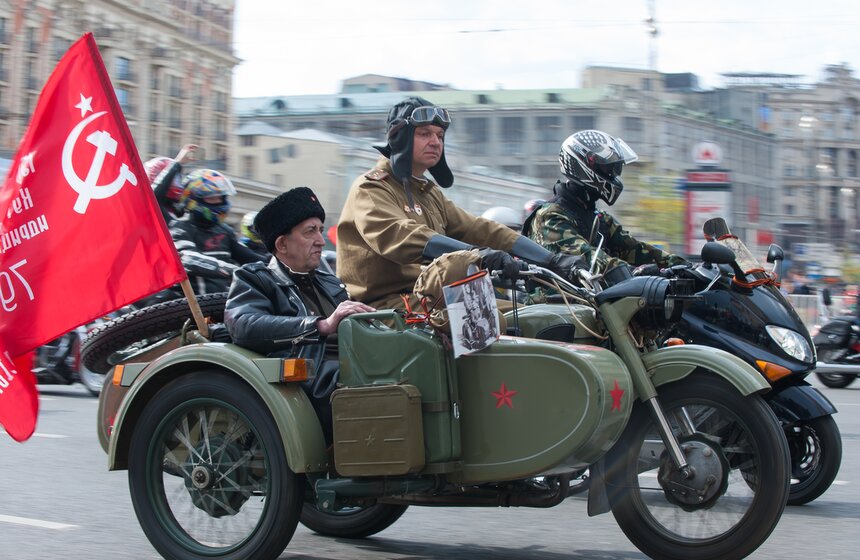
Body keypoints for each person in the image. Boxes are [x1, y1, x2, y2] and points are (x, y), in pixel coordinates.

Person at [336, 96, 583, 311]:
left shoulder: (429, 194)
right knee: (506, 323)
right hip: (384, 308)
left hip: (430, 299)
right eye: (424, 134)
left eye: (440, 135)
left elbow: (480, 229)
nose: (435, 142)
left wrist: (551, 260)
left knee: (540, 315)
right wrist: (477, 256)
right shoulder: (371, 188)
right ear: (399, 138)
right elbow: (401, 236)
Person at [225, 187, 375, 443]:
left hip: (347, 364)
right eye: (310, 231)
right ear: (282, 244)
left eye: (320, 229)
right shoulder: (255, 278)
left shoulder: (328, 281)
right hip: (304, 376)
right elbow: (243, 325)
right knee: (382, 389)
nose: (320, 240)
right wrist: (320, 325)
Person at [523, 130, 688, 276]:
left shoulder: (598, 218)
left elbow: (635, 250)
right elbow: (590, 258)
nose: (614, 176)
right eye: (609, 170)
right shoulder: (550, 217)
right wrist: (637, 272)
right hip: (558, 304)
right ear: (583, 167)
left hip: (590, 304)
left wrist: (684, 267)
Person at [169, 168, 265, 295]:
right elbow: (188, 259)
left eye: (221, 198)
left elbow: (253, 259)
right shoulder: (179, 227)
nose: (219, 202)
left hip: (224, 301)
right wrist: (232, 270)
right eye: (212, 199)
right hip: (190, 305)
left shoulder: (225, 230)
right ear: (193, 199)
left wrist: (285, 265)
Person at [144, 143, 199, 223]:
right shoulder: (150, 207)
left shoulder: (178, 210)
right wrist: (177, 163)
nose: (177, 183)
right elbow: (155, 198)